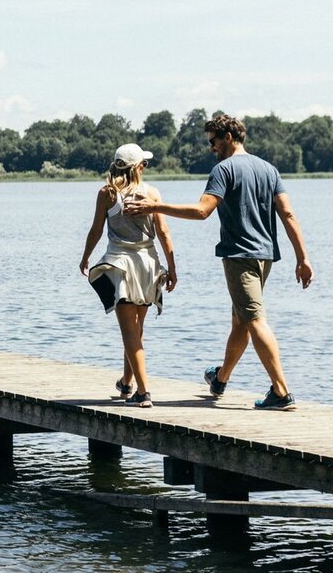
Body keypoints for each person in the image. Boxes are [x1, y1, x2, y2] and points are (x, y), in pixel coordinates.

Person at [125, 114, 314, 411]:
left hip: (240, 255)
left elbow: (202, 211)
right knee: (241, 320)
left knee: (253, 320)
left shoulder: (223, 170)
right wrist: (302, 257)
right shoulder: (268, 169)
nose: (211, 148)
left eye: (213, 141)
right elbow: (288, 214)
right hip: (266, 256)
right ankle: (220, 378)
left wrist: (155, 205)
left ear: (228, 136)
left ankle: (281, 392)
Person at [79, 143, 176, 408]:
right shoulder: (152, 193)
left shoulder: (108, 193)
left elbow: (96, 230)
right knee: (136, 330)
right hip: (148, 265)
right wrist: (172, 267)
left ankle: (143, 393)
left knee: (129, 332)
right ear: (139, 167)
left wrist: (86, 256)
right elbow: (164, 234)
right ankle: (126, 383)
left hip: (120, 265)